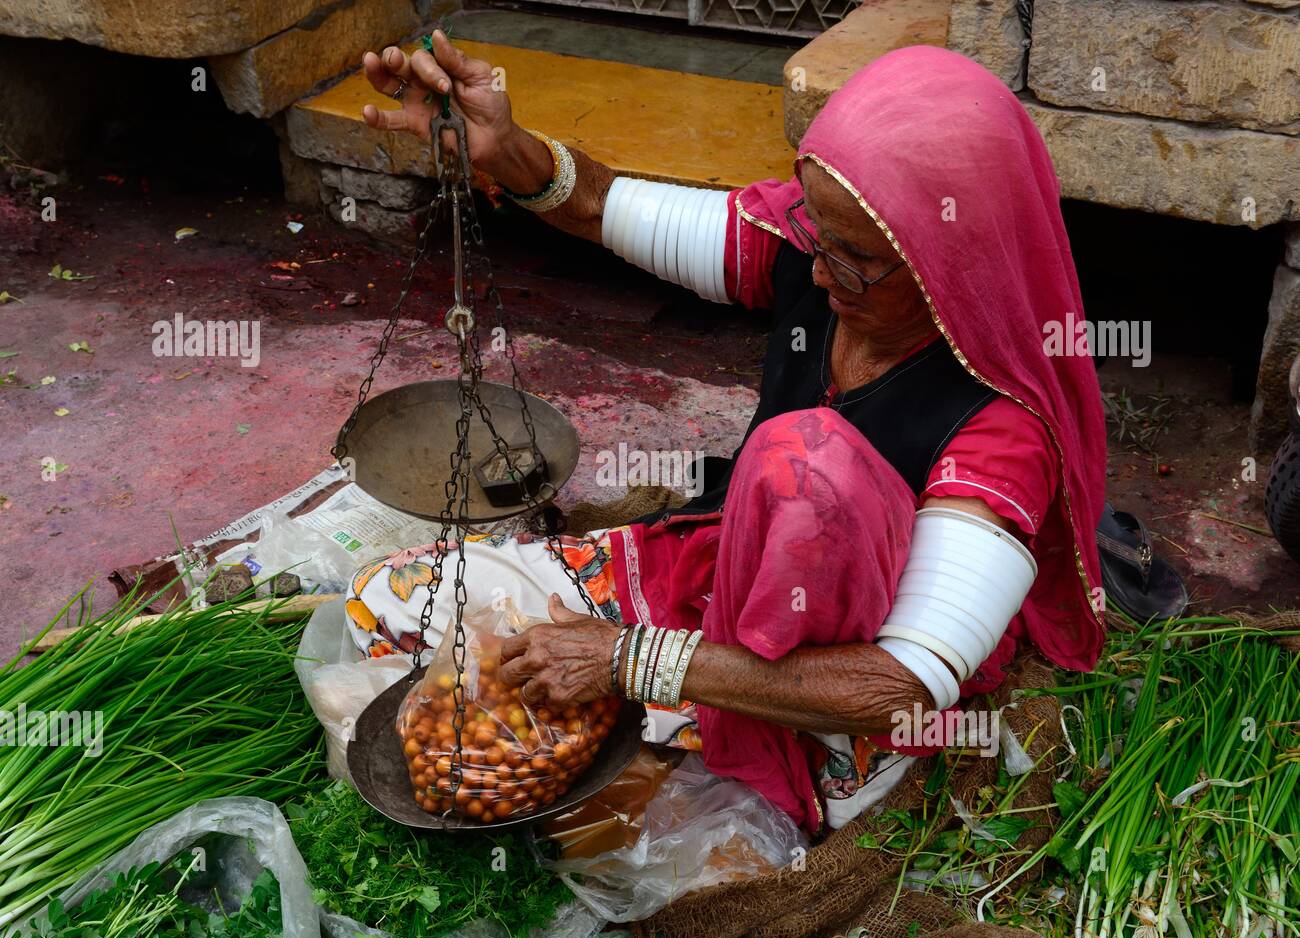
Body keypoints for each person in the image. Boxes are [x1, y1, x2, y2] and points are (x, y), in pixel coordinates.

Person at [344, 34, 1107, 835]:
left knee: (646, 823)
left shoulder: (1002, 427)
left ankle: (771, 766)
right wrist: (506, 148)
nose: (815, 269)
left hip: (838, 682)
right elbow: (603, 207)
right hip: (707, 577)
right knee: (380, 609)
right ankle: (676, 729)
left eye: (851, 260)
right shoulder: (818, 248)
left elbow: (905, 683)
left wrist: (625, 659)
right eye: (816, 232)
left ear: (946, 259)